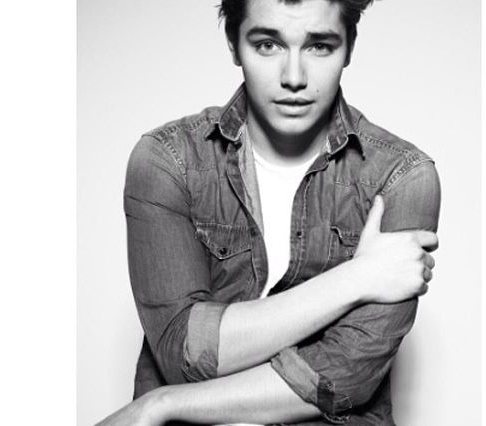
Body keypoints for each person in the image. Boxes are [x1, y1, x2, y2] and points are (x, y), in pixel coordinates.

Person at [98, 0, 440, 424]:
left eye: (319, 46)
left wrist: (162, 404)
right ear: (233, 44)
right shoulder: (168, 161)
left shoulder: (401, 177)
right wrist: (358, 278)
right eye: (267, 45)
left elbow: (344, 376)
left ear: (350, 47)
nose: (293, 77)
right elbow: (182, 354)